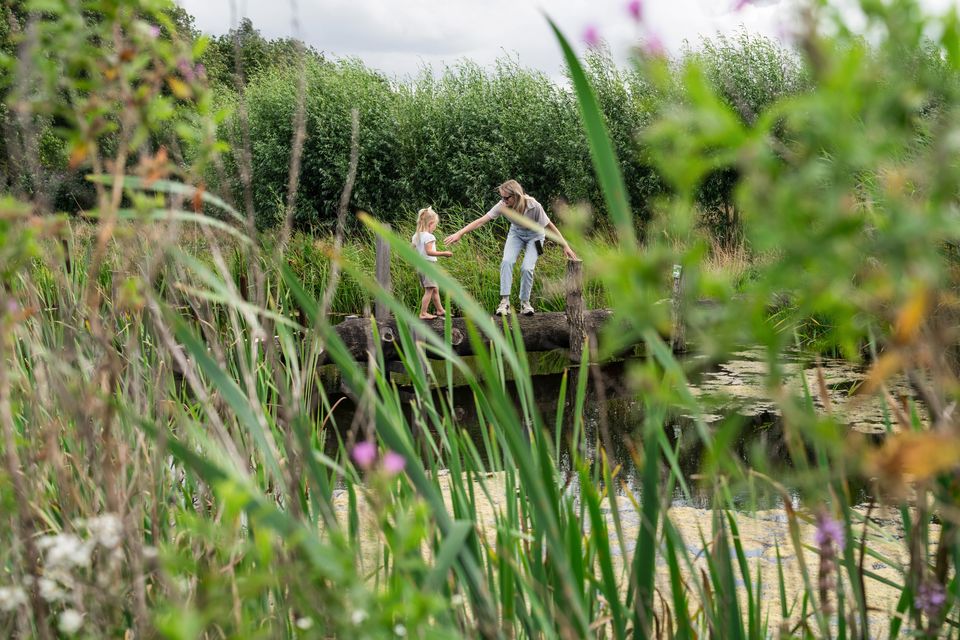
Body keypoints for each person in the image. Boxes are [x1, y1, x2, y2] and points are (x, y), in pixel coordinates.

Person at [444, 180, 578, 316]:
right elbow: (481, 220)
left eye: (506, 197)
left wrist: (565, 245)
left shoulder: (534, 205)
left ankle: (525, 303)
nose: (503, 200)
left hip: (536, 237)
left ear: (516, 196)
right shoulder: (502, 205)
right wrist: (460, 233)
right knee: (506, 262)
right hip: (516, 234)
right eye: (501, 197)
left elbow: (550, 226)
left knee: (527, 268)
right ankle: (504, 302)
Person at [412, 206, 452, 320]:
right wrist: (444, 253)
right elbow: (429, 252)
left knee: (434, 288)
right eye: (435, 225)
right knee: (429, 290)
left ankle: (440, 310)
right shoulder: (429, 236)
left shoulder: (416, 235)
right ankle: (423, 313)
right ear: (430, 223)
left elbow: (412, 249)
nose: (435, 227)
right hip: (429, 265)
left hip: (420, 265)